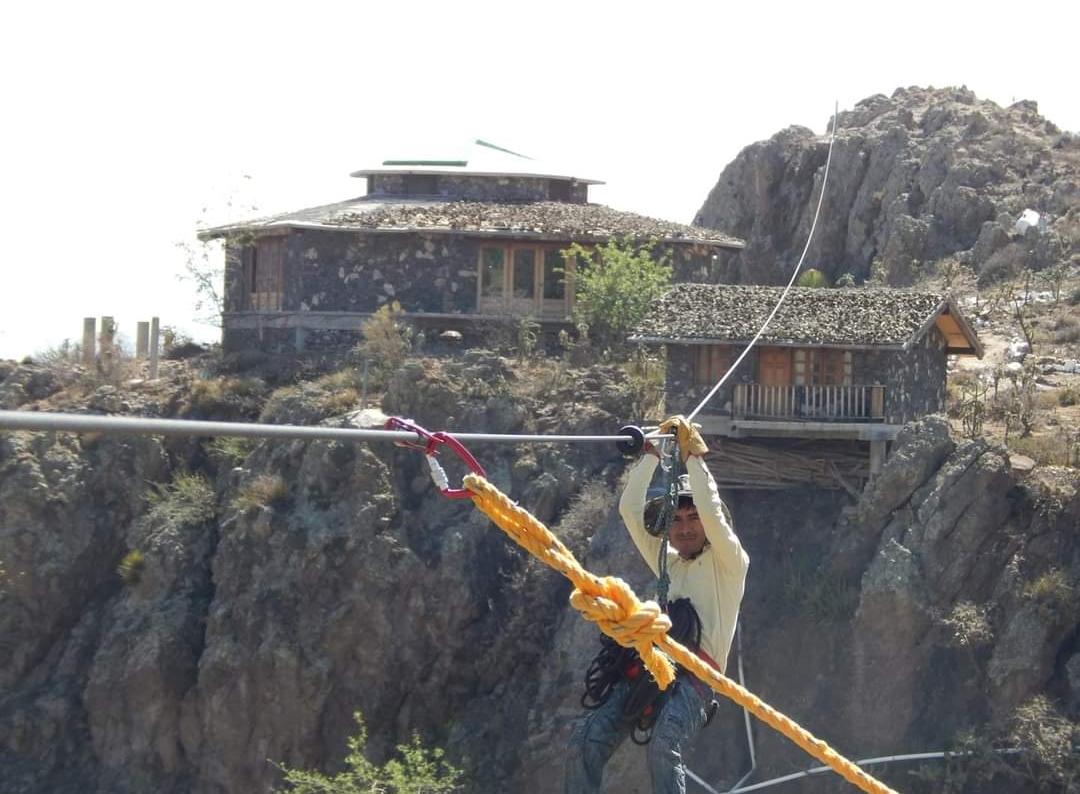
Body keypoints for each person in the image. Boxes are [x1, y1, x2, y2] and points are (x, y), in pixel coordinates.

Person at [565, 416, 750, 794]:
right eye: (677, 519)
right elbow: (630, 512)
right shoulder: (670, 563)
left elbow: (713, 512)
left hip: (698, 679)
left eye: (692, 517)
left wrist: (693, 457)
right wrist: (649, 456)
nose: (685, 527)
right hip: (653, 666)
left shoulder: (729, 563)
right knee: (586, 739)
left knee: (665, 746)